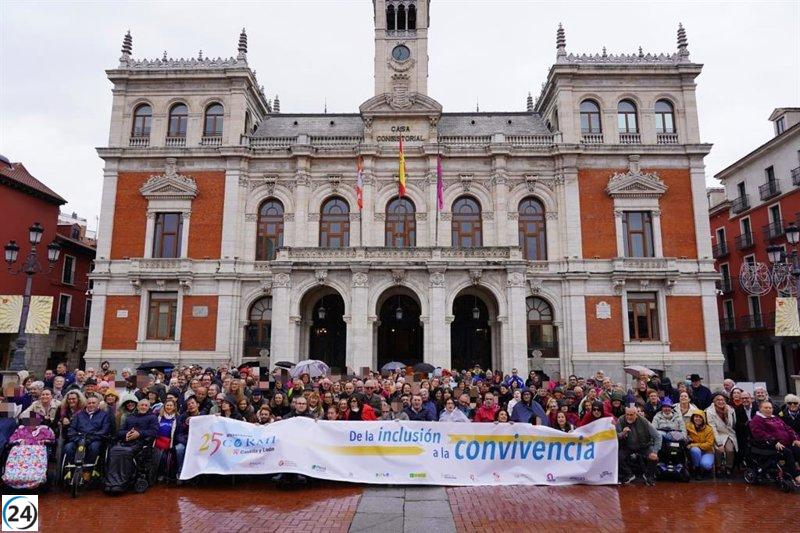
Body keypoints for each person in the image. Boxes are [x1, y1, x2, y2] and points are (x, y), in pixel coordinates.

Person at [748, 401, 800, 487]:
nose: (768, 409)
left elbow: (788, 429)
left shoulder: (775, 418)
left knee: (797, 449)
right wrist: (774, 441)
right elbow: (760, 434)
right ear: (760, 409)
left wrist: (795, 439)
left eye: (770, 408)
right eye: (766, 408)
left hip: (785, 443)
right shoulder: (756, 420)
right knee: (787, 452)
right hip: (768, 445)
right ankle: (796, 476)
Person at [63, 395, 112, 475]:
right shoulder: (79, 415)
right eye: (89, 403)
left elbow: (104, 431)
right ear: (86, 404)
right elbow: (71, 430)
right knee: (68, 447)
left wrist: (90, 438)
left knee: (94, 447)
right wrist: (78, 439)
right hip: (79, 439)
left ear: (98, 404)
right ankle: (74, 468)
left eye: (93, 403)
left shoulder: (104, 415)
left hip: (95, 439)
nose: (91, 405)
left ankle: (88, 470)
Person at [616, 405, 661, 485]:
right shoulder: (620, 420)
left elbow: (657, 436)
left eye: (631, 414)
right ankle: (628, 474)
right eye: (627, 414)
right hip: (628, 446)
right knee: (619, 457)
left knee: (654, 458)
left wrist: (655, 451)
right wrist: (623, 433)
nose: (629, 417)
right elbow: (616, 436)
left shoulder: (644, 422)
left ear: (636, 414)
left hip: (643, 446)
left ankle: (648, 476)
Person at [705, 392, 737, 477]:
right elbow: (712, 428)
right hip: (716, 433)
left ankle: (728, 468)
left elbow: (733, 424)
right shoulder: (709, 411)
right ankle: (718, 468)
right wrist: (719, 443)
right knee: (718, 450)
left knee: (730, 450)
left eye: (722, 400)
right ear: (714, 401)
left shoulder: (730, 409)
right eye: (718, 400)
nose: (720, 401)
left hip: (728, 433)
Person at [686, 409, 715, 479]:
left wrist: (694, 445)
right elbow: (684, 437)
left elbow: (709, 444)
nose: (698, 419)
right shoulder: (688, 426)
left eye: (700, 417)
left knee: (706, 465)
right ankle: (697, 469)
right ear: (693, 418)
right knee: (695, 450)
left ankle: (707, 470)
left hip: (707, 451)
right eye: (696, 416)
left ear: (703, 419)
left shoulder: (709, 429)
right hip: (694, 452)